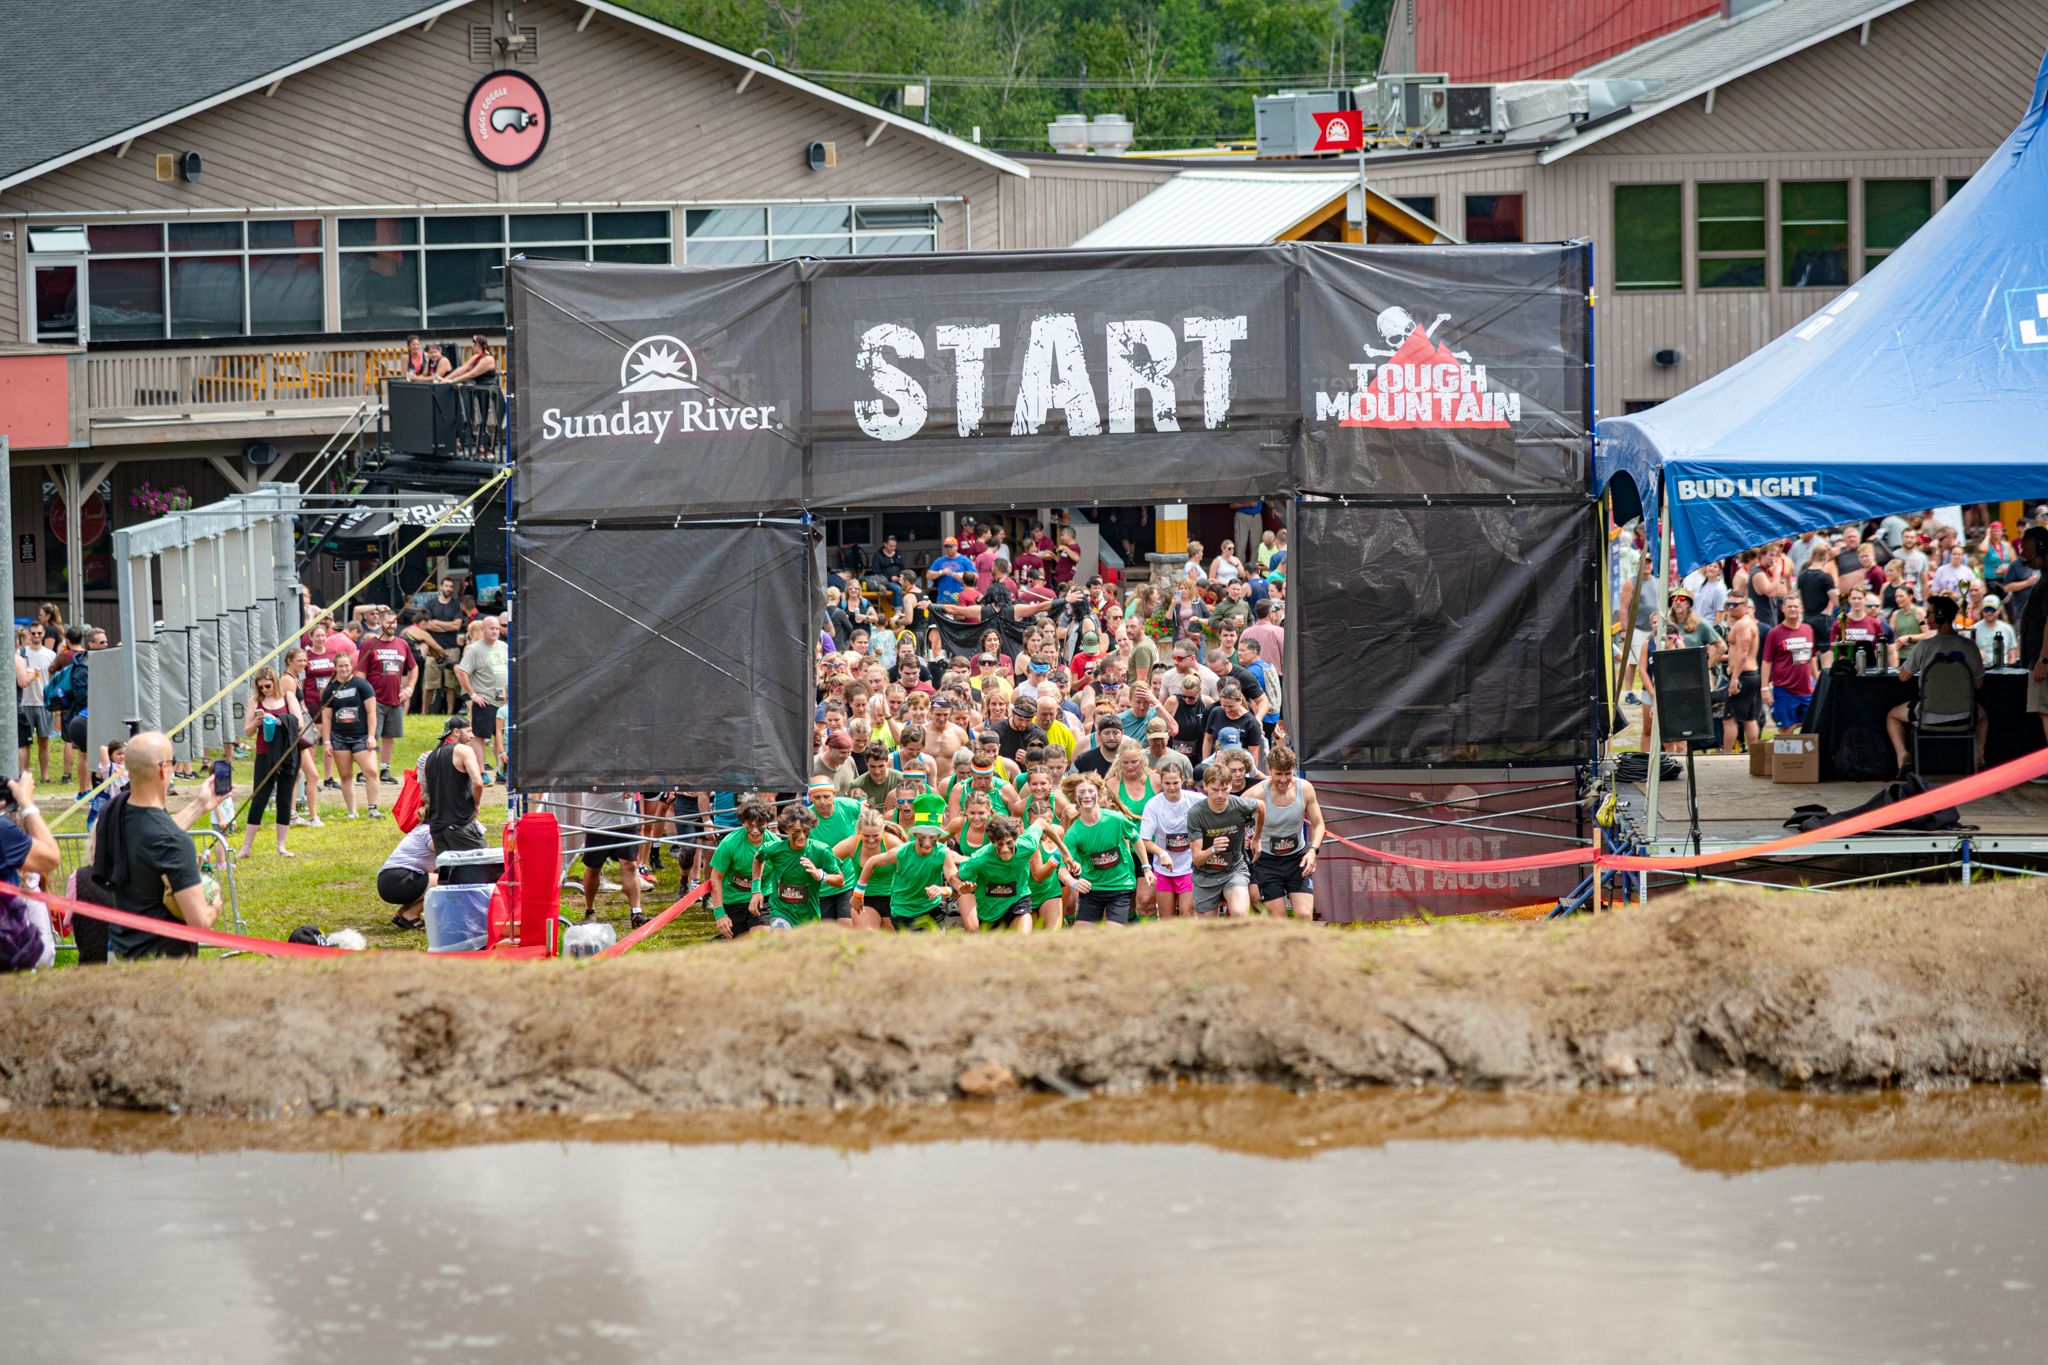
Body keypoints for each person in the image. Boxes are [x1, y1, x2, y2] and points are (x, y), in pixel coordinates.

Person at [98, 732, 227, 959]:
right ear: (163, 769)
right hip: (164, 963)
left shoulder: (112, 811)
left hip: (120, 952)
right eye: (172, 761)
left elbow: (153, 834)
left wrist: (199, 805)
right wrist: (214, 904)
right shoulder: (173, 842)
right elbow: (199, 922)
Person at [1886, 595, 1986, 777]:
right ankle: (1978, 753)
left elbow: (1903, 677)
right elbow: (1979, 684)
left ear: (1939, 615)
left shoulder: (1924, 646)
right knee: (1983, 716)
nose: (1926, 617)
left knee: (1892, 715)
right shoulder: (1970, 646)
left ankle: (1902, 755)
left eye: (1930, 613)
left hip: (1927, 715)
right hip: (1964, 715)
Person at [852, 793, 956, 931]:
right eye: (923, 837)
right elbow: (872, 861)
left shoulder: (943, 852)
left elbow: (955, 885)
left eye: (932, 837)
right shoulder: (902, 852)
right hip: (904, 912)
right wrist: (858, 893)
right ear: (915, 834)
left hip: (932, 909)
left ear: (938, 836)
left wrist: (944, 890)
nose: (927, 843)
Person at [1245, 747, 1323, 921]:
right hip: (1268, 862)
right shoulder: (1256, 793)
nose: (1283, 779)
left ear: (1294, 769)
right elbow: (1231, 819)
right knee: (1278, 918)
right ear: (1269, 769)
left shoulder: (1305, 789)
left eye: (1288, 774)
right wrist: (1248, 838)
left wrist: (1313, 851)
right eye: (1278, 774)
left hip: (1297, 859)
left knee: (1304, 916)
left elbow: (1319, 824)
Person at [237, 667, 303, 861]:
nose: (265, 690)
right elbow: (247, 731)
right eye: (261, 687)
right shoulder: (255, 701)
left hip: (287, 753)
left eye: (268, 686)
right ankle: (246, 847)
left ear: (275, 682)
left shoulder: (288, 697)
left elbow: (299, 723)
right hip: (265, 754)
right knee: (259, 798)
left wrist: (278, 720)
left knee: (284, 798)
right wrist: (257, 722)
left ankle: (281, 846)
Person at [1061, 776, 1146, 926]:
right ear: (1075, 797)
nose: (1087, 795)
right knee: (1082, 933)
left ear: (1098, 794)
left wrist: (1146, 867)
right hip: (1091, 890)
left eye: (1090, 791)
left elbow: (1135, 838)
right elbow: (1062, 870)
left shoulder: (1116, 819)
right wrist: (1073, 883)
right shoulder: (1073, 833)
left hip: (1120, 886)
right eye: (1081, 792)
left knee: (1112, 932)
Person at [749, 805, 846, 929]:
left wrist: (821, 875)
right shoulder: (775, 849)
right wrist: (756, 890)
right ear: (786, 829)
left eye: (805, 831)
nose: (802, 836)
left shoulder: (821, 850)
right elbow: (758, 858)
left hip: (809, 915)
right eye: (796, 832)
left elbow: (840, 881)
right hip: (781, 911)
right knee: (780, 937)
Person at [1186, 763, 1260, 918]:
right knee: (1208, 929)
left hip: (1234, 870)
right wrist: (1213, 849)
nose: (1220, 795)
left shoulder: (1239, 805)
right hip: (1205, 875)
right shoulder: (1196, 813)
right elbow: (1197, 859)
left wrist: (1257, 838)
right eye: (1215, 789)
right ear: (1205, 786)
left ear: (1231, 786)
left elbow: (1262, 807)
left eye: (1225, 789)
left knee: (1240, 914)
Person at [319, 653, 382, 819]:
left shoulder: (362, 685)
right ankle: (352, 811)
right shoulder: (330, 690)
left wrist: (371, 736)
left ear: (352, 665)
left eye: (347, 665)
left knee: (371, 771)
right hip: (339, 738)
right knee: (346, 775)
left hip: (361, 736)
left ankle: (373, 808)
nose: (344, 669)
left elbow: (371, 712)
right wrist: (327, 742)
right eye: (340, 666)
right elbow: (326, 718)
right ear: (335, 667)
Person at [1136, 760, 1198, 919]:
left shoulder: (1196, 800)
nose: (1171, 787)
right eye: (1167, 783)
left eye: (1175, 783)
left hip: (1189, 867)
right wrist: (1162, 853)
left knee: (1187, 913)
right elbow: (1145, 840)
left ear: (1182, 780)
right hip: (1163, 869)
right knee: (1166, 918)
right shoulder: (1153, 805)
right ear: (1161, 782)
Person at [362, 613, 418, 785]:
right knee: (372, 736)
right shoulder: (370, 644)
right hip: (374, 699)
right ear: (380, 622)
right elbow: (360, 673)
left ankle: (385, 769)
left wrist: (409, 688)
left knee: (389, 736)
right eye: (388, 622)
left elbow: (414, 668)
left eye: (394, 622)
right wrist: (364, 696)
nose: (392, 625)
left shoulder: (402, 644)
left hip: (395, 699)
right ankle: (365, 771)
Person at [709, 799, 776, 938]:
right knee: (738, 945)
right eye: (750, 825)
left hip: (764, 898)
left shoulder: (775, 844)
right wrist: (720, 914)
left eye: (760, 825)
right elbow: (716, 878)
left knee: (761, 938)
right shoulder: (729, 843)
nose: (755, 831)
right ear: (743, 823)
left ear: (767, 823)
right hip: (733, 900)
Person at [455, 615, 508, 783]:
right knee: (479, 737)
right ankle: (481, 772)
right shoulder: (474, 649)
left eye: (497, 628)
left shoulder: (504, 646)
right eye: (492, 628)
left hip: (503, 702)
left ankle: (502, 770)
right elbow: (462, 672)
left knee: (501, 736)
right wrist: (473, 695)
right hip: (485, 701)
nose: (495, 631)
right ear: (483, 630)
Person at [1760, 598, 1821, 732]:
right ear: (1783, 609)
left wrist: (1817, 681)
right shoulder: (1774, 633)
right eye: (1789, 607)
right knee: (1785, 729)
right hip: (1784, 690)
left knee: (1811, 726)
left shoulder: (1807, 629)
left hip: (1807, 689)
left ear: (1801, 609)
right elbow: (1766, 661)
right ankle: (1788, 746)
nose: (1792, 609)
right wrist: (1764, 688)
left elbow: (1812, 657)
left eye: (1795, 606)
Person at [2017, 526, 2048, 773]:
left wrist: (2044, 659)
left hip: (2044, 659)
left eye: (2027, 549)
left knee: (2046, 711)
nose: (2023, 555)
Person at [419, 576, 468, 712]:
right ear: (441, 587)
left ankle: (449, 713)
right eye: (446, 586)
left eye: (451, 587)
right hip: (433, 649)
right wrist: (448, 626)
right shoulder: (430, 604)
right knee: (429, 684)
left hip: (452, 648)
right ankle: (424, 713)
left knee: (451, 685)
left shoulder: (456, 604)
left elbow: (456, 626)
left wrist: (437, 623)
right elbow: (426, 625)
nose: (449, 589)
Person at [1720, 596, 1762, 755]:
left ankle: (1726, 755)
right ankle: (1754, 754)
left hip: (1743, 675)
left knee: (1729, 719)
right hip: (1750, 674)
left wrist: (1734, 678)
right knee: (1750, 718)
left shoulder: (1743, 625)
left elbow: (1743, 653)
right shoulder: (1746, 622)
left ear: (1745, 606)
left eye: (1735, 605)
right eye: (1729, 604)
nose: (1731, 607)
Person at [377, 823, 436, 929]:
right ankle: (411, 914)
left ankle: (402, 913)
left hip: (389, 880)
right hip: (399, 880)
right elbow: (446, 853)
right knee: (451, 883)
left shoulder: (424, 829)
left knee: (444, 878)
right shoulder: (430, 831)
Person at [17, 623, 56, 782]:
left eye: (39, 633)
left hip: (43, 702)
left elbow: (54, 677)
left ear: (43, 633)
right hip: (25, 702)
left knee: (44, 741)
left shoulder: (50, 654)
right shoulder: (21, 653)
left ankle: (45, 775)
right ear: (29, 634)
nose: (36, 636)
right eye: (33, 633)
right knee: (25, 743)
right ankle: (25, 774)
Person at [1969, 596, 2017, 668]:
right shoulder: (1973, 629)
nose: (1989, 613)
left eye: (1992, 610)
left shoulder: (2008, 628)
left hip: (2003, 669)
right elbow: (1967, 652)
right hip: (1982, 669)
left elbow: (2012, 655)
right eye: (1986, 609)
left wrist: (2010, 670)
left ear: (1999, 610)